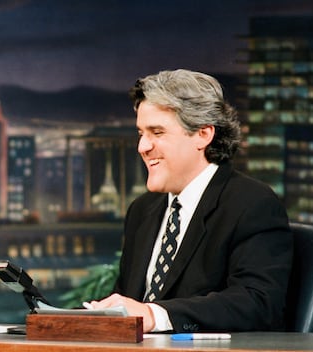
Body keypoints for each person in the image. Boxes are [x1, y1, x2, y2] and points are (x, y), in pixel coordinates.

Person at [88, 69, 293, 333]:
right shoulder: (143, 210)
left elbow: (258, 302)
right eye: (141, 133)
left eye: (157, 132)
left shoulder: (251, 204)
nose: (142, 147)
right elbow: (127, 303)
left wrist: (154, 315)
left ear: (203, 135)